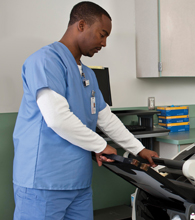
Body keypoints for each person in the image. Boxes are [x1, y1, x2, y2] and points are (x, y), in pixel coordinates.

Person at [12, 2, 158, 219]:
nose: (104, 43)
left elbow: (105, 118)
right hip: (43, 182)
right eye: (102, 34)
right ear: (81, 25)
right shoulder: (45, 61)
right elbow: (57, 119)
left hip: (78, 183)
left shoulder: (88, 75)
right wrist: (100, 145)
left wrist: (139, 149)